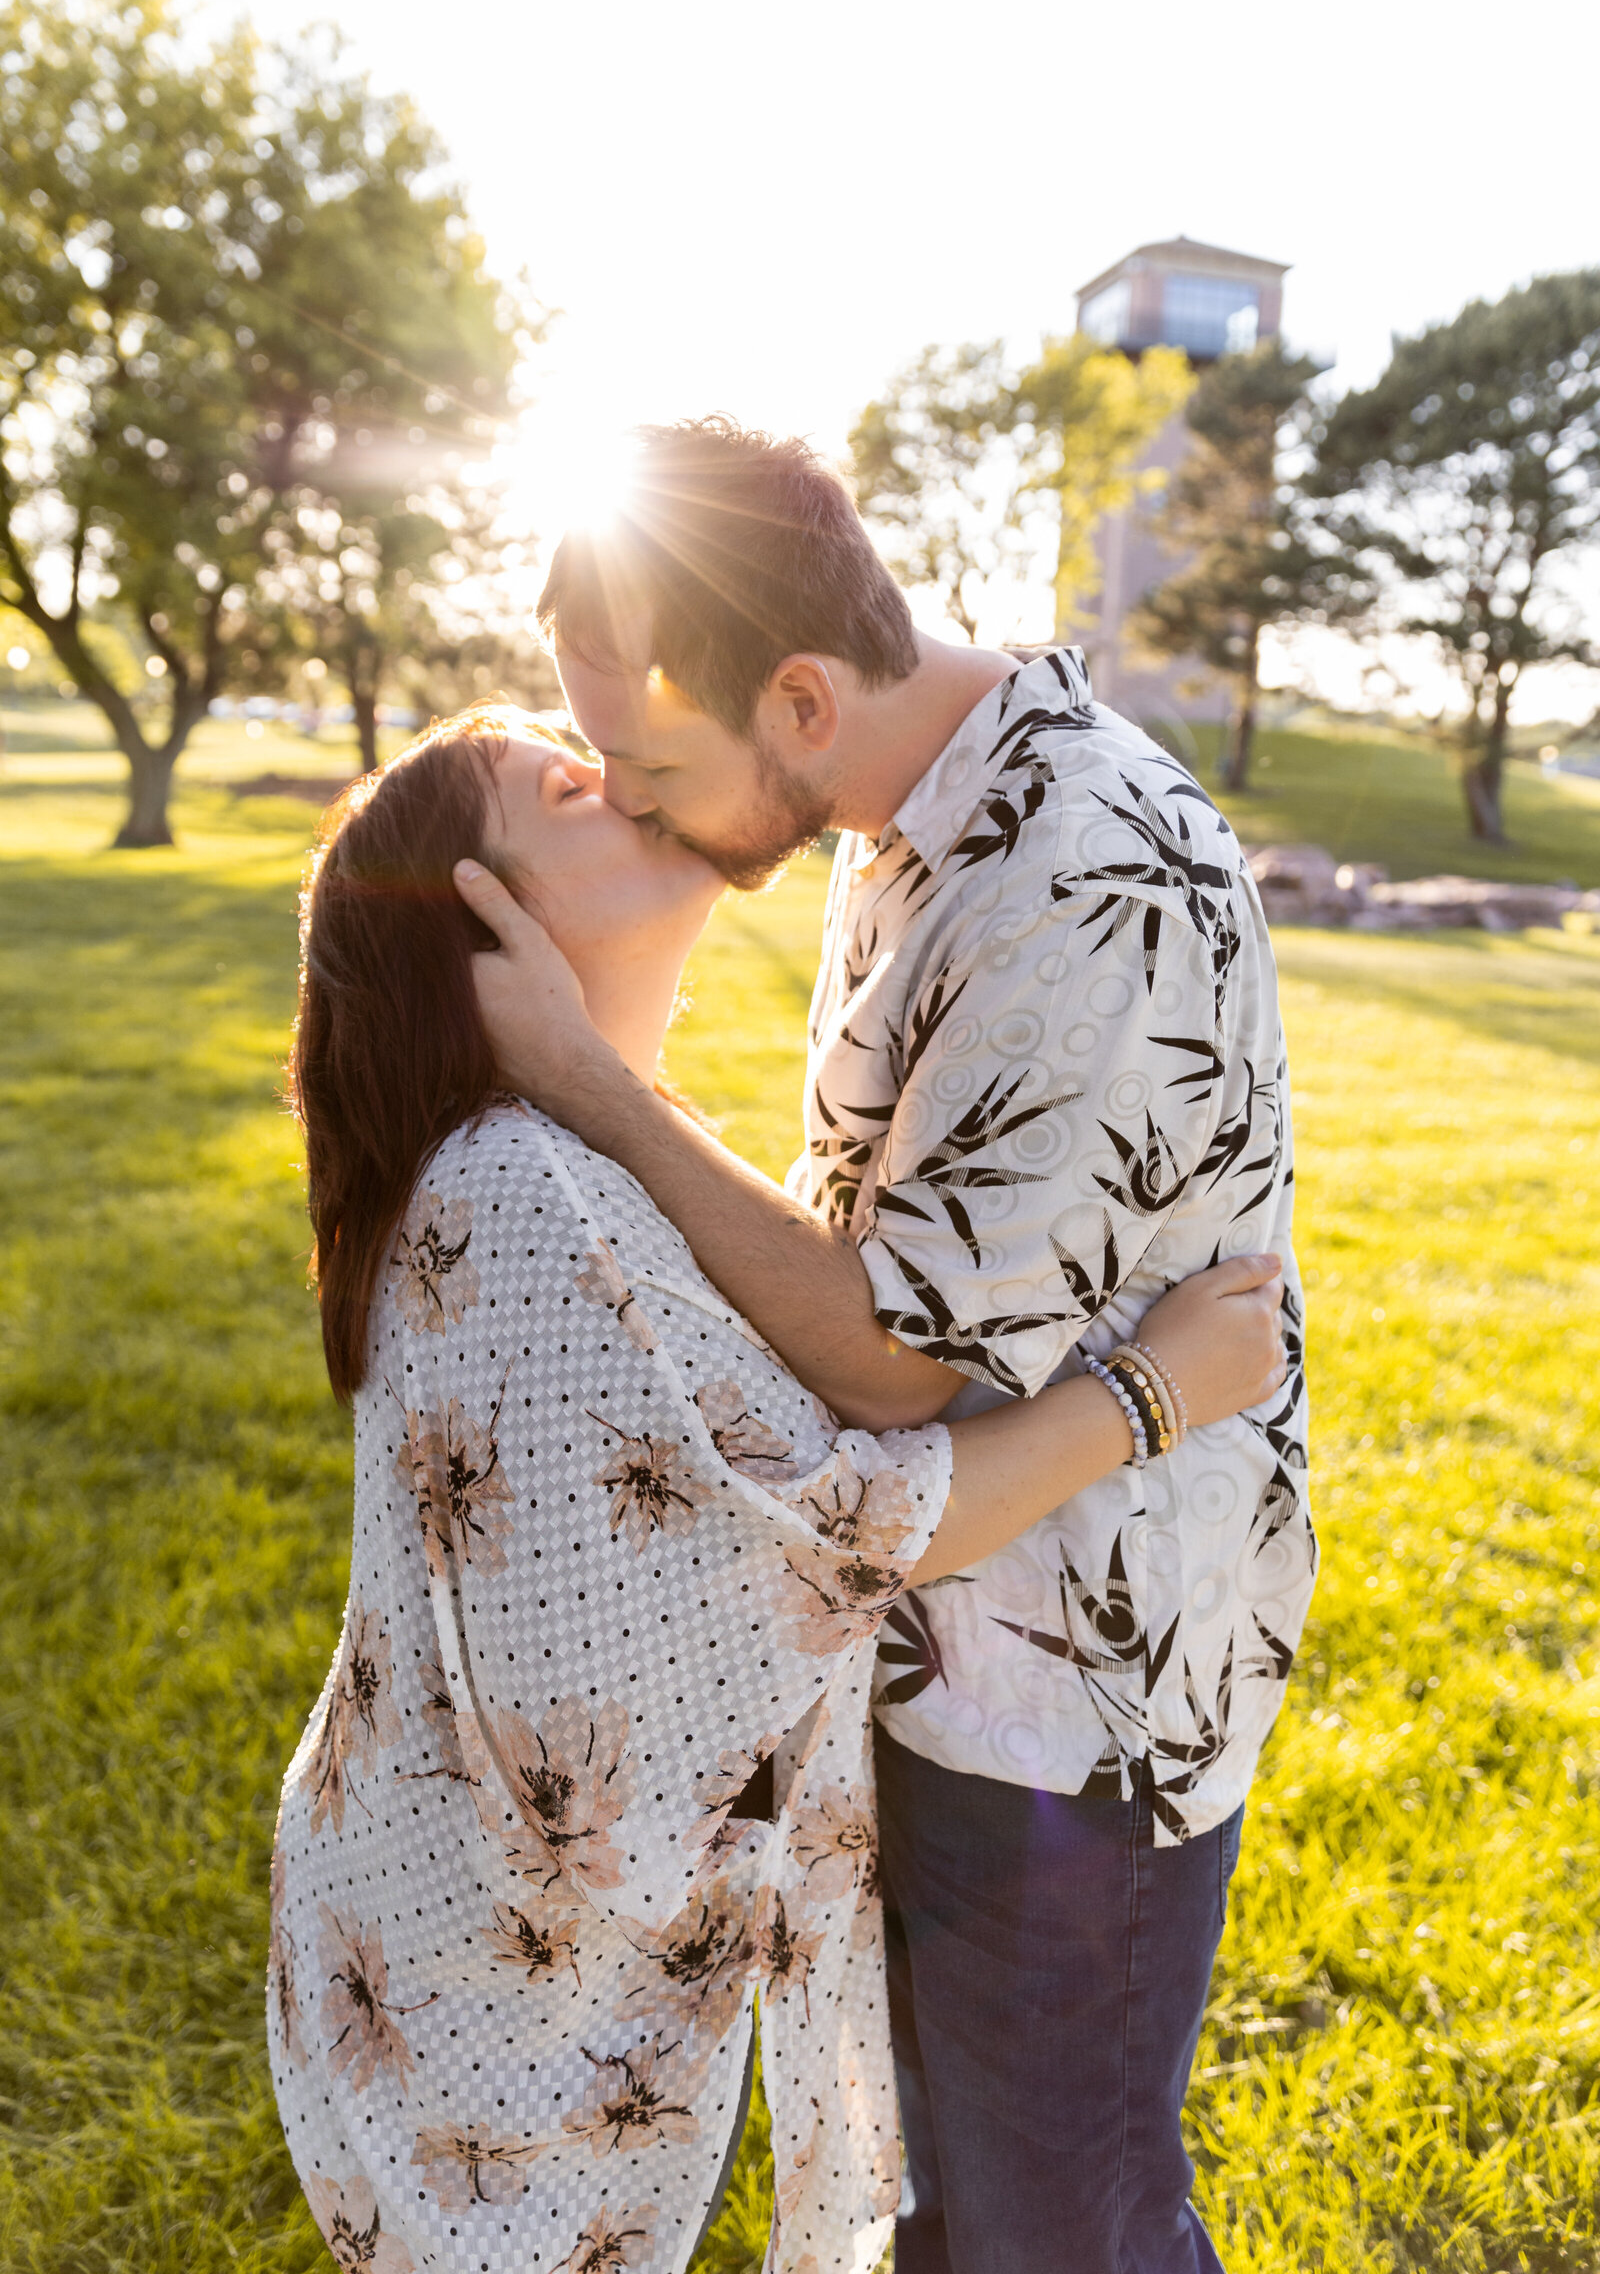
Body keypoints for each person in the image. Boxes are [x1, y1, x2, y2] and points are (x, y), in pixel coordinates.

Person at [450, 418, 1317, 2274]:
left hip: (1066, 1694)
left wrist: (592, 1084)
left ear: (795, 696)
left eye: (654, 761)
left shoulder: (1084, 874)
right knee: (944, 2210)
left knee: (1058, 2227)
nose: (640, 803)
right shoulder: (904, 821)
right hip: (917, 1635)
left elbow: (891, 1363)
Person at [267, 701, 1286, 2274]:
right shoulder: (521, 1198)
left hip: (445, 1933)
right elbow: (826, 1530)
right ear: (488, 922)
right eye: (566, 783)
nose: (623, 772)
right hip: (486, 1989)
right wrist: (1152, 1394)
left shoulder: (557, 1160)